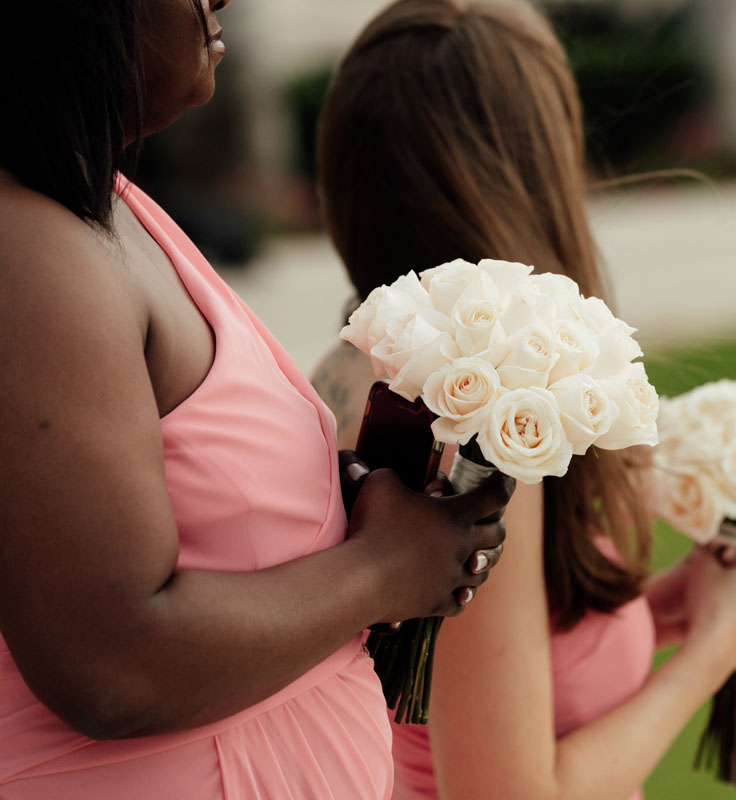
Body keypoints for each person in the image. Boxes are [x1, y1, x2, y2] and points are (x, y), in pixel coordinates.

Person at [0, 2, 512, 797]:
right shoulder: (28, 255)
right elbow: (110, 662)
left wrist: (339, 501)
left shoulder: (98, 205)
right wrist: (385, 567)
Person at [311, 2, 736, 798]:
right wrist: (716, 649)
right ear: (534, 173)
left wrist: (654, 613)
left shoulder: (340, 375)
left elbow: (447, 677)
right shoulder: (488, 424)